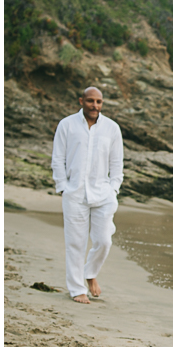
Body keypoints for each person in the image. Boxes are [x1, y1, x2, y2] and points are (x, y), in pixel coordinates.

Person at [51, 85, 124, 304]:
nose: (95, 105)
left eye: (99, 102)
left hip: (103, 194)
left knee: (103, 241)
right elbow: (58, 158)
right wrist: (63, 186)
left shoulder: (112, 128)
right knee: (75, 242)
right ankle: (76, 289)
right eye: (91, 101)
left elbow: (116, 163)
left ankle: (90, 273)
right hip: (75, 193)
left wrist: (113, 189)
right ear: (81, 101)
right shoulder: (67, 125)